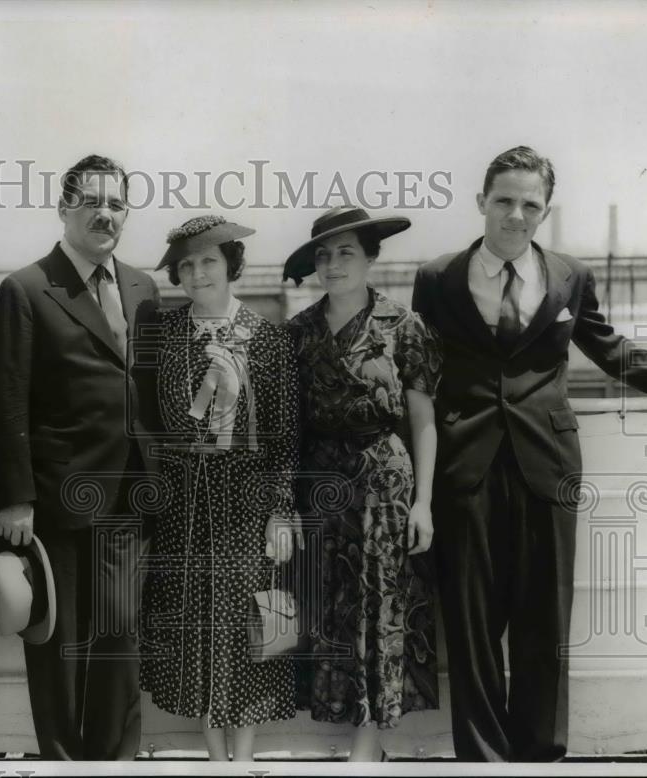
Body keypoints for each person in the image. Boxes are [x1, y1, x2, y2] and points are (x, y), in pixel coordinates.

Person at [411, 146, 647, 762]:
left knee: (545, 620)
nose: (515, 215)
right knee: (472, 624)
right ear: (481, 202)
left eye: (530, 204)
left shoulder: (569, 275)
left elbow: (609, 350)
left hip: (548, 464)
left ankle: (541, 759)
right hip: (466, 465)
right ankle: (483, 762)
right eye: (504, 201)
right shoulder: (437, 278)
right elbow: (418, 375)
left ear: (545, 211)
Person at [0, 154, 161, 761]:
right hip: (55, 500)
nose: (105, 214)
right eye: (91, 202)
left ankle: (115, 762)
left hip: (129, 497)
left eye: (116, 203)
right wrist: (14, 497)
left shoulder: (143, 287)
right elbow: (6, 403)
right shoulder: (27, 289)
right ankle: (61, 764)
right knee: (57, 646)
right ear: (63, 209)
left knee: (121, 641)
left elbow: (147, 390)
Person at [139, 215, 300, 761]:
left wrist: (280, 510)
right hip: (183, 503)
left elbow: (284, 434)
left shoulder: (268, 337)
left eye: (208, 260)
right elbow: (150, 423)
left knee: (244, 621)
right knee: (194, 627)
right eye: (186, 265)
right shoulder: (164, 334)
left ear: (231, 263)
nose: (197, 272)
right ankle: (213, 758)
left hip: (246, 503)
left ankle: (246, 757)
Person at [284, 206, 441, 762]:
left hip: (383, 485)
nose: (332, 264)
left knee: (380, 608)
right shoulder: (296, 332)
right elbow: (287, 427)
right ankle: (343, 727)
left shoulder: (404, 325)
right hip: (320, 489)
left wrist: (423, 502)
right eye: (323, 255)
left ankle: (367, 743)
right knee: (328, 607)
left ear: (371, 257)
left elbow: (422, 419)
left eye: (345, 252)